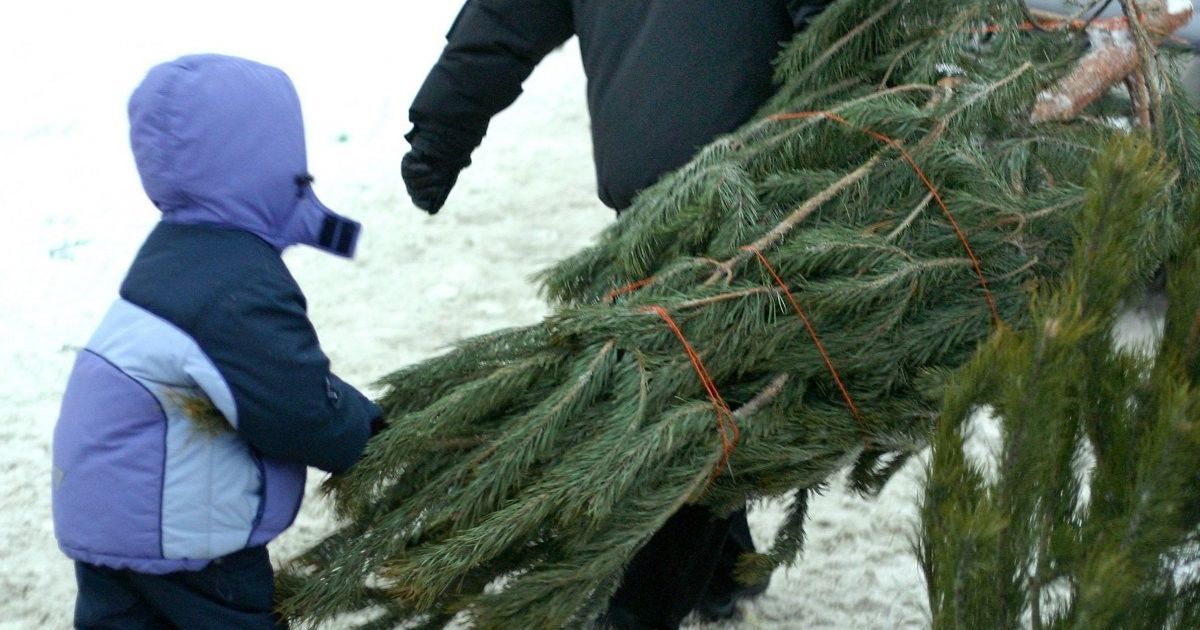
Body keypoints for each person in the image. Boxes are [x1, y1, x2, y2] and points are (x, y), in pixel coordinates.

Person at [400, 2, 833, 627]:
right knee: (701, 407)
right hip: (757, 192)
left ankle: (718, 572)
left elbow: (500, 22)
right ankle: (643, 609)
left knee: (691, 388)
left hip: (659, 191)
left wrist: (439, 132)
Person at [51, 54, 384, 629]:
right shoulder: (236, 286)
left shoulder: (182, 247)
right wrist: (375, 435)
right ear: (266, 160)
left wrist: (330, 229)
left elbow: (284, 221)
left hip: (107, 510)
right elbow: (295, 407)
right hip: (179, 534)